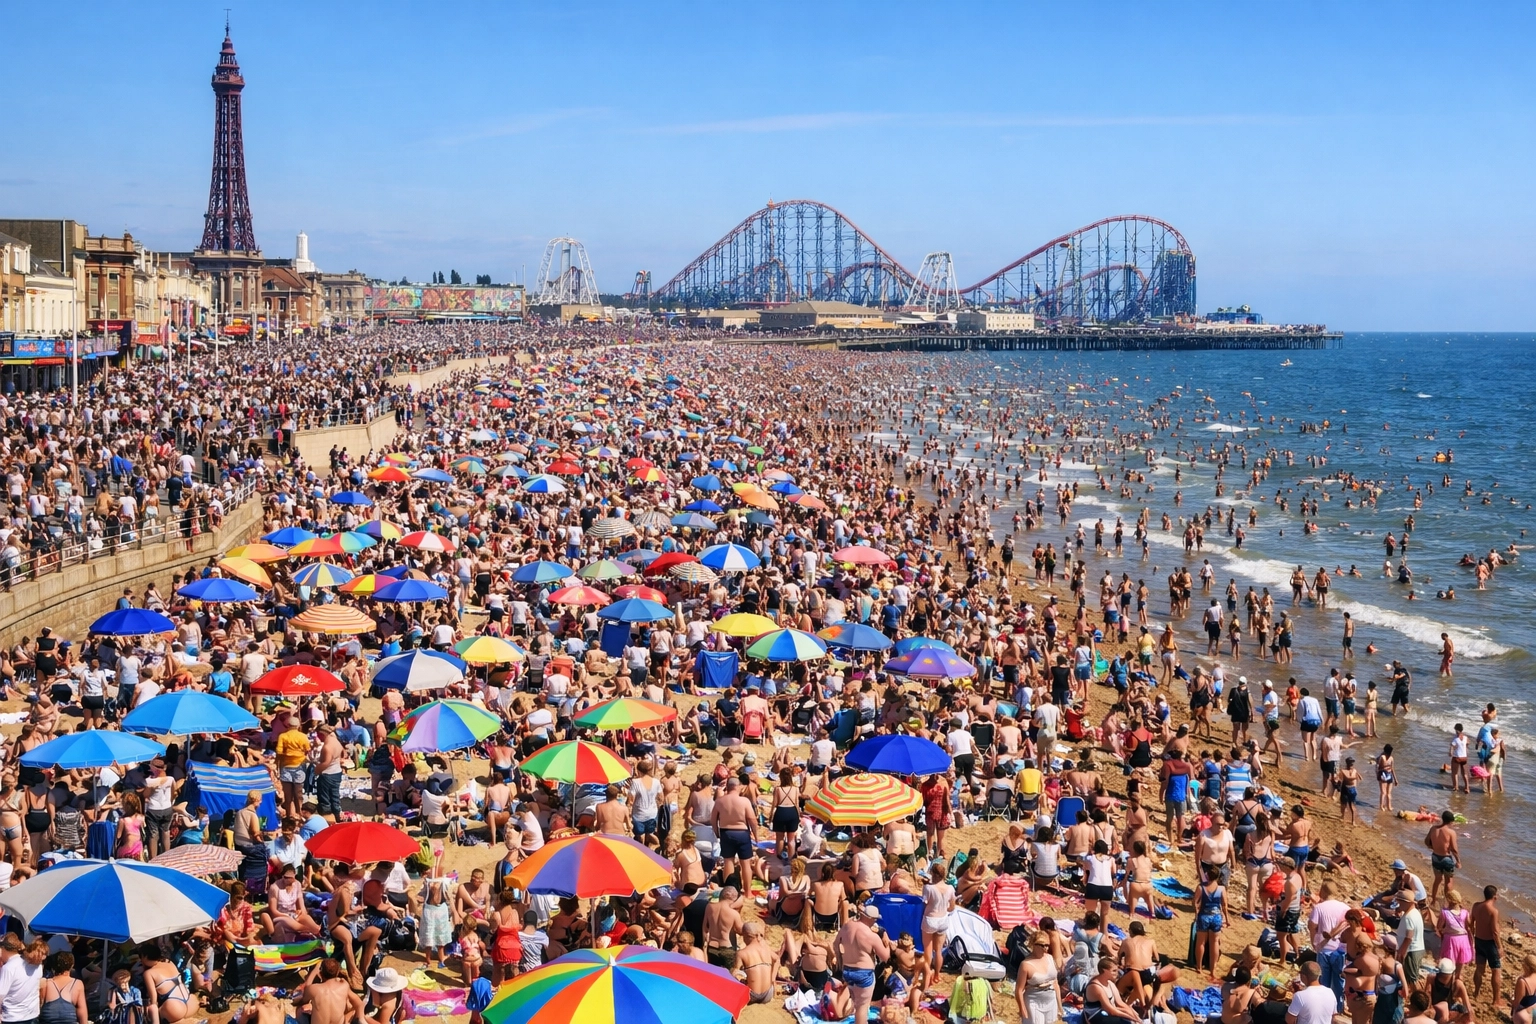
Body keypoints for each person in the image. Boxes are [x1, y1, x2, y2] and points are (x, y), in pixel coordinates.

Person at [836, 904, 889, 1024]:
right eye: (875, 919)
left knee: (856, 1003)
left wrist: (840, 962)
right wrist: (886, 942)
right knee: (862, 1007)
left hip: (847, 970)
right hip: (864, 973)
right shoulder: (871, 936)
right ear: (871, 918)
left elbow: (835, 944)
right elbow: (885, 957)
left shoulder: (847, 926)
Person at [1471, 885, 1505, 1012]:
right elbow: (1495, 931)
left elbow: (1471, 922)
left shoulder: (1475, 906)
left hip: (1478, 940)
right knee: (1496, 970)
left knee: (1479, 968)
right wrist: (1500, 947)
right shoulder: (1493, 911)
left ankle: (1476, 992)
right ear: (1494, 896)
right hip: (1490, 943)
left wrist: (1472, 934)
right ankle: (1496, 1000)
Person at [1016, 931, 1062, 1024]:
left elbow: (1055, 983)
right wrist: (1022, 1008)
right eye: (1042, 945)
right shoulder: (1025, 964)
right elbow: (1019, 990)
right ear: (1034, 944)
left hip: (1051, 999)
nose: (1046, 948)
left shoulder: (1050, 957)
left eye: (1047, 945)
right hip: (1034, 1001)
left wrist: (1060, 1006)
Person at [1426, 811, 1460, 906]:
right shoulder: (1451, 832)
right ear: (1451, 822)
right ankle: (1448, 903)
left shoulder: (1433, 828)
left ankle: (1433, 900)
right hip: (1446, 858)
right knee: (1448, 881)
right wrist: (1458, 861)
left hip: (1435, 856)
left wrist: (1432, 847)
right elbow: (1454, 849)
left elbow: (1426, 841)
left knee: (1437, 879)